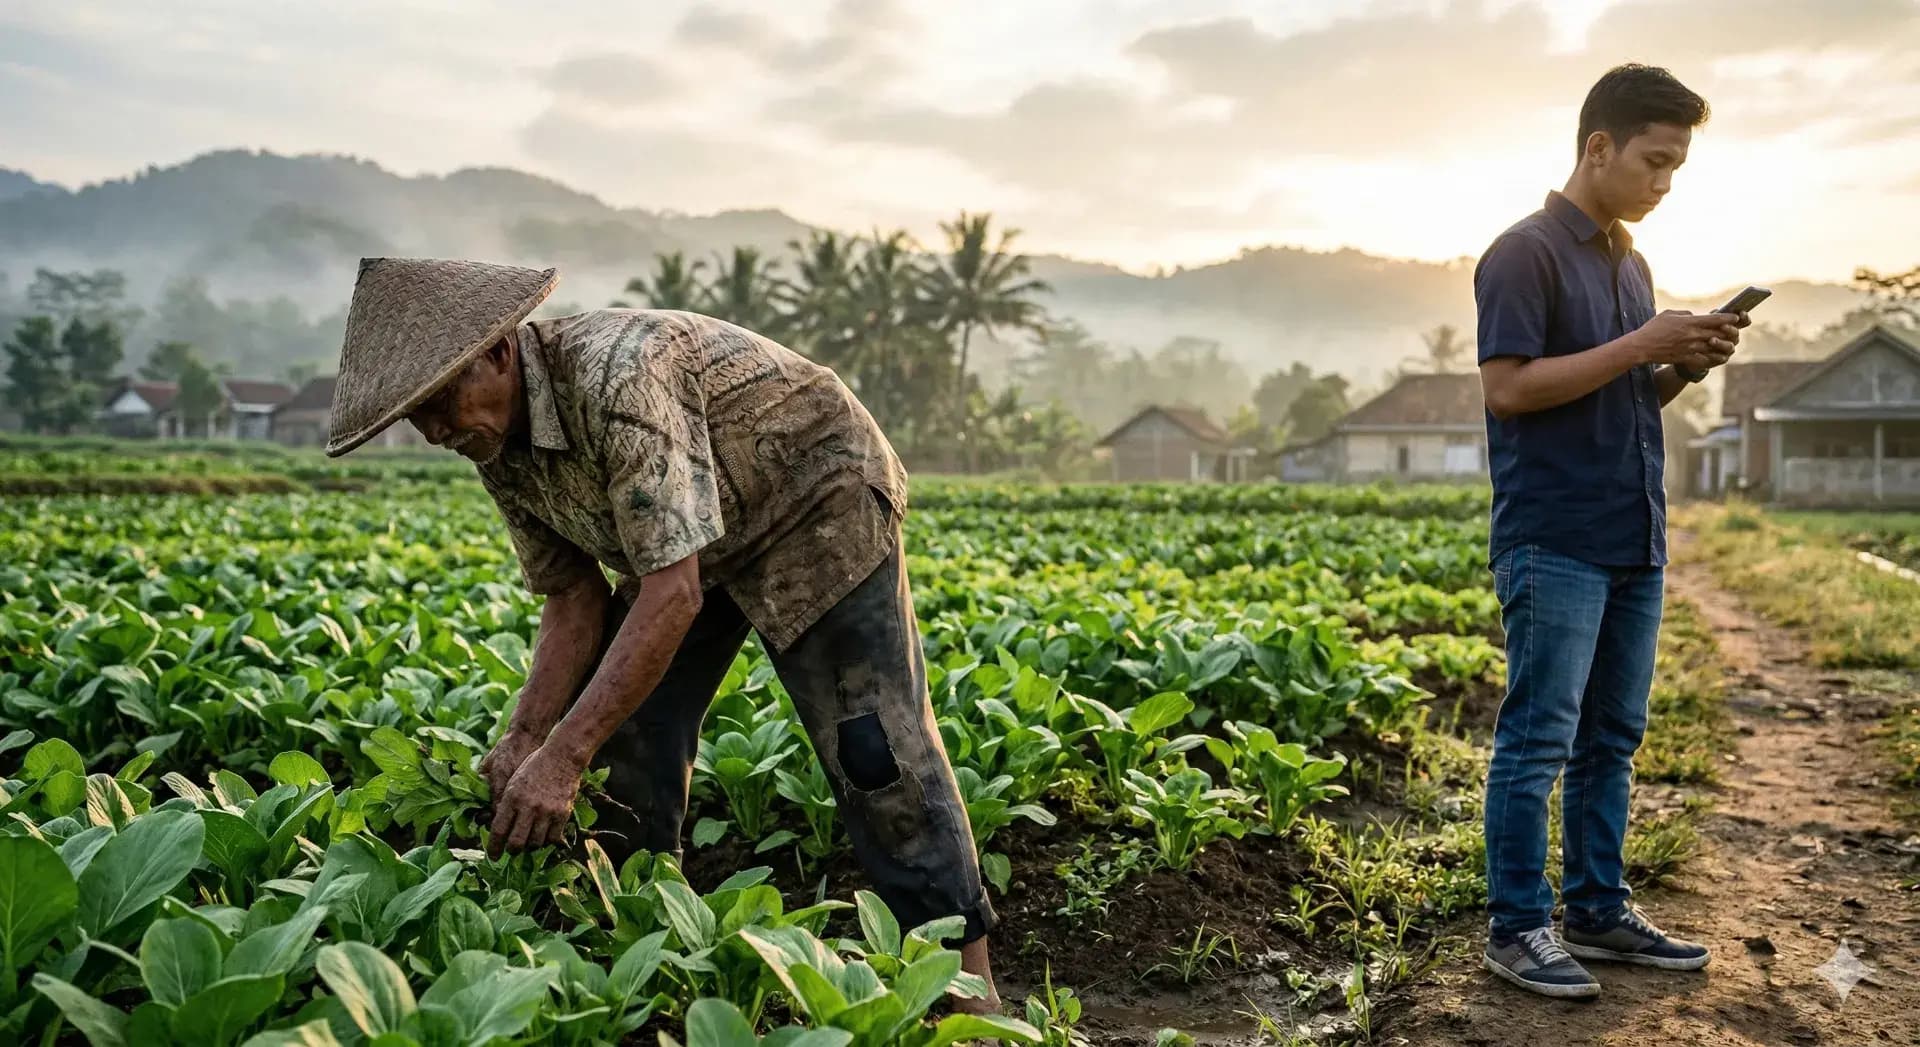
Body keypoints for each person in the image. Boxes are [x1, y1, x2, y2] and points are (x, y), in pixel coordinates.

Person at [321, 257, 1001, 1012]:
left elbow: (672, 594)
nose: (435, 431)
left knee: (873, 748)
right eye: (415, 418)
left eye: (440, 401)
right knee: (627, 741)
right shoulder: (494, 445)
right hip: (690, 543)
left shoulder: (618, 377)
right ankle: (646, 957)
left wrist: (562, 754)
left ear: (500, 353)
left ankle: (973, 995)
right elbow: (573, 597)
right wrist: (528, 736)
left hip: (815, 498)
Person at [1473, 63, 1748, 999]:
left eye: (1676, 168)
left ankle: (1596, 908)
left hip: (1634, 532)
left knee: (1613, 736)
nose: (1664, 183)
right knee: (1539, 737)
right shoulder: (1524, 254)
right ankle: (1516, 925)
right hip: (1555, 533)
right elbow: (1510, 389)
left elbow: (1620, 393)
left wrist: (1683, 363)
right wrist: (1643, 343)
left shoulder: (1631, 265)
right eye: (1654, 162)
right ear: (1599, 146)